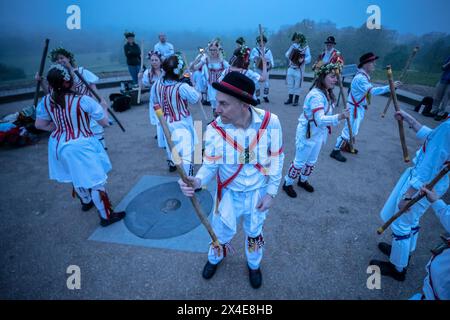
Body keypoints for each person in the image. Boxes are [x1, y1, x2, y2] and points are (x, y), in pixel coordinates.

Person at [178, 71, 284, 289]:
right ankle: (215, 257)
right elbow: (210, 165)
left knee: (254, 232)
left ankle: (254, 265)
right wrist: (197, 182)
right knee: (220, 231)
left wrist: (271, 193)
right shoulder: (214, 130)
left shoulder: (270, 122)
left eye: (223, 104)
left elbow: (277, 157)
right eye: (216, 103)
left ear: (244, 104)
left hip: (258, 193)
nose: (216, 109)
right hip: (228, 195)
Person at [35, 64, 126, 227]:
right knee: (96, 181)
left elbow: (40, 125)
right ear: (69, 82)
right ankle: (106, 216)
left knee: (74, 174)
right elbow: (104, 122)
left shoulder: (47, 100)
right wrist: (104, 107)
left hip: (58, 144)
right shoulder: (83, 100)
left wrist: (61, 128)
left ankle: (86, 201)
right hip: (82, 145)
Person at [369, 110, 449, 281]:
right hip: (434, 183)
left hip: (425, 183)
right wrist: (410, 120)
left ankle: (398, 267)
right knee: (411, 220)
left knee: (401, 223)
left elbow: (431, 161)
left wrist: (408, 195)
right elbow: (433, 139)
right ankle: (404, 254)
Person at [282, 63, 350, 198]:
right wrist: (340, 116)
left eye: (336, 77)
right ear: (322, 77)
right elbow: (319, 119)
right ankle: (287, 183)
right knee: (300, 161)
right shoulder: (316, 96)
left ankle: (303, 180)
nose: (335, 80)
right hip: (307, 132)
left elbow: (322, 121)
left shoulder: (327, 93)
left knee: (312, 160)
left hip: (319, 133)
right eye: (332, 77)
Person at [330, 52, 401, 162]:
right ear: (365, 64)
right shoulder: (361, 78)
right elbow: (372, 91)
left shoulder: (364, 76)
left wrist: (366, 104)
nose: (374, 65)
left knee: (353, 129)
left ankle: (346, 146)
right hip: (354, 107)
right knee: (348, 130)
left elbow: (366, 93)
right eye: (372, 62)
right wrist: (390, 87)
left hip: (358, 107)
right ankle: (335, 150)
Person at [36, 47, 109, 150]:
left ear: (69, 58)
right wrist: (42, 83)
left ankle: (100, 149)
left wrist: (100, 103)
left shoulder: (82, 72)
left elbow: (94, 90)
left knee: (95, 135)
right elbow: (51, 95)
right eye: (57, 59)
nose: (60, 61)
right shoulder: (56, 78)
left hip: (86, 110)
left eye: (62, 58)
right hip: (69, 113)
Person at [150, 54, 201, 173]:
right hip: (181, 122)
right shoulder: (182, 87)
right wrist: (192, 87)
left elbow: (154, 101)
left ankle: (173, 163)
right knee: (186, 152)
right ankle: (189, 179)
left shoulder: (157, 84)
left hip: (165, 121)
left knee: (172, 147)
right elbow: (195, 98)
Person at [408, 187, 449, 300]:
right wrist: (436, 201)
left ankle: (398, 266)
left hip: (437, 294)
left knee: (404, 226)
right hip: (431, 290)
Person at [196, 39, 229, 116]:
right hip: (211, 86)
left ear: (218, 50)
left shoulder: (222, 61)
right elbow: (194, 68)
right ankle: (216, 123)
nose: (212, 52)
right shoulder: (206, 60)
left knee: (222, 106)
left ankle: (222, 122)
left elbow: (230, 69)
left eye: (214, 50)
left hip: (221, 87)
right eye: (211, 50)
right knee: (214, 107)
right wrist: (195, 62)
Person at [139, 51, 165, 148]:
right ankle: (161, 139)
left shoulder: (165, 71)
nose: (154, 62)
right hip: (155, 99)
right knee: (158, 119)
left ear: (160, 61)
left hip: (165, 97)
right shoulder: (148, 73)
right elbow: (142, 86)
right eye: (152, 60)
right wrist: (139, 79)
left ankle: (167, 134)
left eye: (156, 60)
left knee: (166, 117)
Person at [284, 32, 311, 107]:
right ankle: (290, 99)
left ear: (300, 39)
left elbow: (309, 58)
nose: (295, 39)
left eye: (297, 38)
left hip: (299, 69)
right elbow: (286, 54)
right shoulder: (293, 46)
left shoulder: (305, 47)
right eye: (295, 38)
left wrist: (303, 60)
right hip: (291, 67)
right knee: (290, 84)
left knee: (297, 85)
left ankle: (296, 100)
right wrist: (290, 55)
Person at [250, 35, 274, 104]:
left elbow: (271, 59)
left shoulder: (268, 51)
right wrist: (256, 57)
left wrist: (271, 65)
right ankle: (258, 98)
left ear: (265, 42)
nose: (261, 43)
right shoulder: (255, 50)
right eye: (260, 42)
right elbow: (251, 58)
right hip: (257, 68)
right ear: (258, 42)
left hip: (265, 69)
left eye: (263, 42)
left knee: (266, 83)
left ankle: (265, 96)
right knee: (257, 83)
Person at [425, 56, 450, 121]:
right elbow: (443, 67)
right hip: (444, 79)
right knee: (437, 96)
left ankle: (440, 114)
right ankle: (433, 111)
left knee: (446, 98)